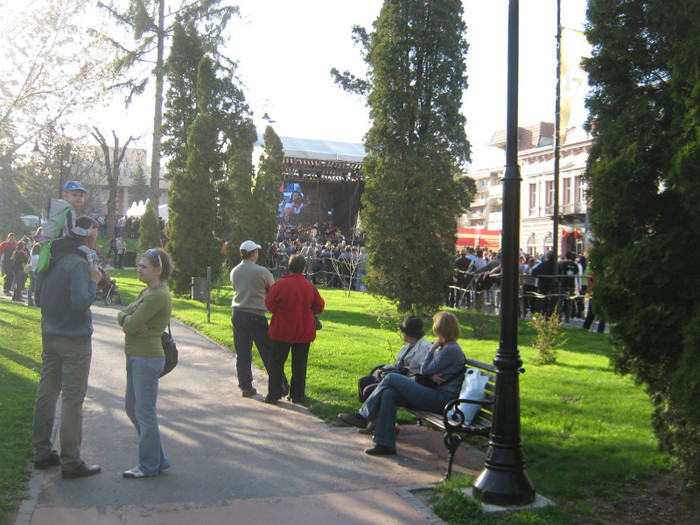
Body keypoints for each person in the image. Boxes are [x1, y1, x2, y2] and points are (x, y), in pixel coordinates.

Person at [31, 216, 103, 480]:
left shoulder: (52, 255)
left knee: (46, 393)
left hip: (50, 336)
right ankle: (71, 462)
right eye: (95, 231)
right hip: (75, 340)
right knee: (72, 399)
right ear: (88, 236)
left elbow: (38, 298)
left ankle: (42, 453)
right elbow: (80, 303)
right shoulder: (79, 263)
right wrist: (94, 281)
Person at [338, 311, 466, 456]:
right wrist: (432, 367)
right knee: (389, 393)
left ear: (441, 328)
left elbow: (425, 370)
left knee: (391, 378)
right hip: (433, 393)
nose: (434, 327)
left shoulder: (451, 349)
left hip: (441, 399)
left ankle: (362, 416)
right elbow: (429, 371)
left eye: (436, 324)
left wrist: (431, 349)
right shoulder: (447, 347)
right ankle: (385, 444)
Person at [117, 248, 173, 478]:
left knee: (144, 412)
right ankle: (158, 458)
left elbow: (129, 326)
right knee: (132, 408)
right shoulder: (147, 291)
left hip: (147, 358)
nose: (139, 269)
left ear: (158, 270)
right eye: (139, 265)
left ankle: (149, 465)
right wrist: (127, 317)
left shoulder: (157, 295)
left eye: (143, 266)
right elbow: (123, 315)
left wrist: (127, 319)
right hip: (136, 357)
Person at [264, 254, 325, 404]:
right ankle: (297, 394)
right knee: (299, 365)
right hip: (303, 331)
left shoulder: (279, 285)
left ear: (289, 266)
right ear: (303, 268)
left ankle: (274, 393)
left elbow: (270, 306)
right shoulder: (309, 286)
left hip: (281, 330)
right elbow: (320, 306)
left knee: (276, 363)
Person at [230, 240, 288, 398]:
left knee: (243, 353)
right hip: (255, 314)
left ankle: (245, 386)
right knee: (268, 352)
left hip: (237, 313)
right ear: (254, 253)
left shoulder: (234, 271)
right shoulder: (262, 271)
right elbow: (273, 291)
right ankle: (280, 386)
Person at [357, 316, 432, 403]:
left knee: (368, 390)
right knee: (363, 381)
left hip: (409, 384)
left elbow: (422, 372)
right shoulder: (408, 346)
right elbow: (397, 365)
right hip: (398, 377)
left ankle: (368, 415)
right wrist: (383, 370)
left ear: (406, 334)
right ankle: (364, 413)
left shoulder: (424, 348)